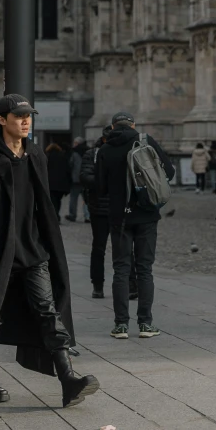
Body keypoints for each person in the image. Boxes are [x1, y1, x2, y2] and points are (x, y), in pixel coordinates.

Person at [0, 94, 100, 409]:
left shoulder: (35, 154)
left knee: (48, 312)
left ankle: (68, 378)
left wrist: (44, 243)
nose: (26, 121)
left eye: (29, 116)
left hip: (32, 251)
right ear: (2, 120)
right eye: (18, 116)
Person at [97, 112, 175, 340]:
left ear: (112, 127)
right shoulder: (145, 140)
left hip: (119, 217)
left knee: (121, 269)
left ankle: (121, 325)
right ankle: (145, 324)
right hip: (146, 214)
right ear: (133, 125)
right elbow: (169, 171)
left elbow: (100, 188)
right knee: (144, 269)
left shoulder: (105, 149)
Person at [80, 126, 137, 300]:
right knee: (99, 248)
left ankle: (131, 285)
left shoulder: (125, 152)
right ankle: (97, 285)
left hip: (120, 207)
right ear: (104, 139)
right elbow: (85, 177)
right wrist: (105, 181)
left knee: (125, 248)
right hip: (99, 208)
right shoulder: (92, 154)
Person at [65, 137, 89, 222]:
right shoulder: (88, 151)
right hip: (86, 179)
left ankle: (72, 215)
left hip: (76, 179)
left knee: (73, 198)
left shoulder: (74, 153)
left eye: (75, 142)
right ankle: (87, 216)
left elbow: (70, 165)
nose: (74, 144)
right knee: (86, 198)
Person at [46, 142, 71, 222]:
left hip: (50, 183)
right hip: (61, 184)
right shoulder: (63, 157)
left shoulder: (47, 157)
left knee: (52, 201)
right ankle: (56, 215)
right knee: (58, 200)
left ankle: (55, 216)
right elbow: (68, 170)